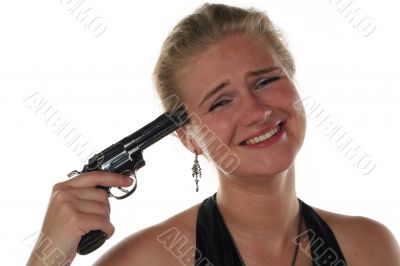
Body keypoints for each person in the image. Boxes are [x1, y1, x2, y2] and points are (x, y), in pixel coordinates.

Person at [27, 3, 400, 266]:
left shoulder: (370, 246)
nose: (257, 111)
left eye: (267, 80)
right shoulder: (145, 261)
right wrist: (46, 258)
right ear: (188, 138)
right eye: (221, 102)